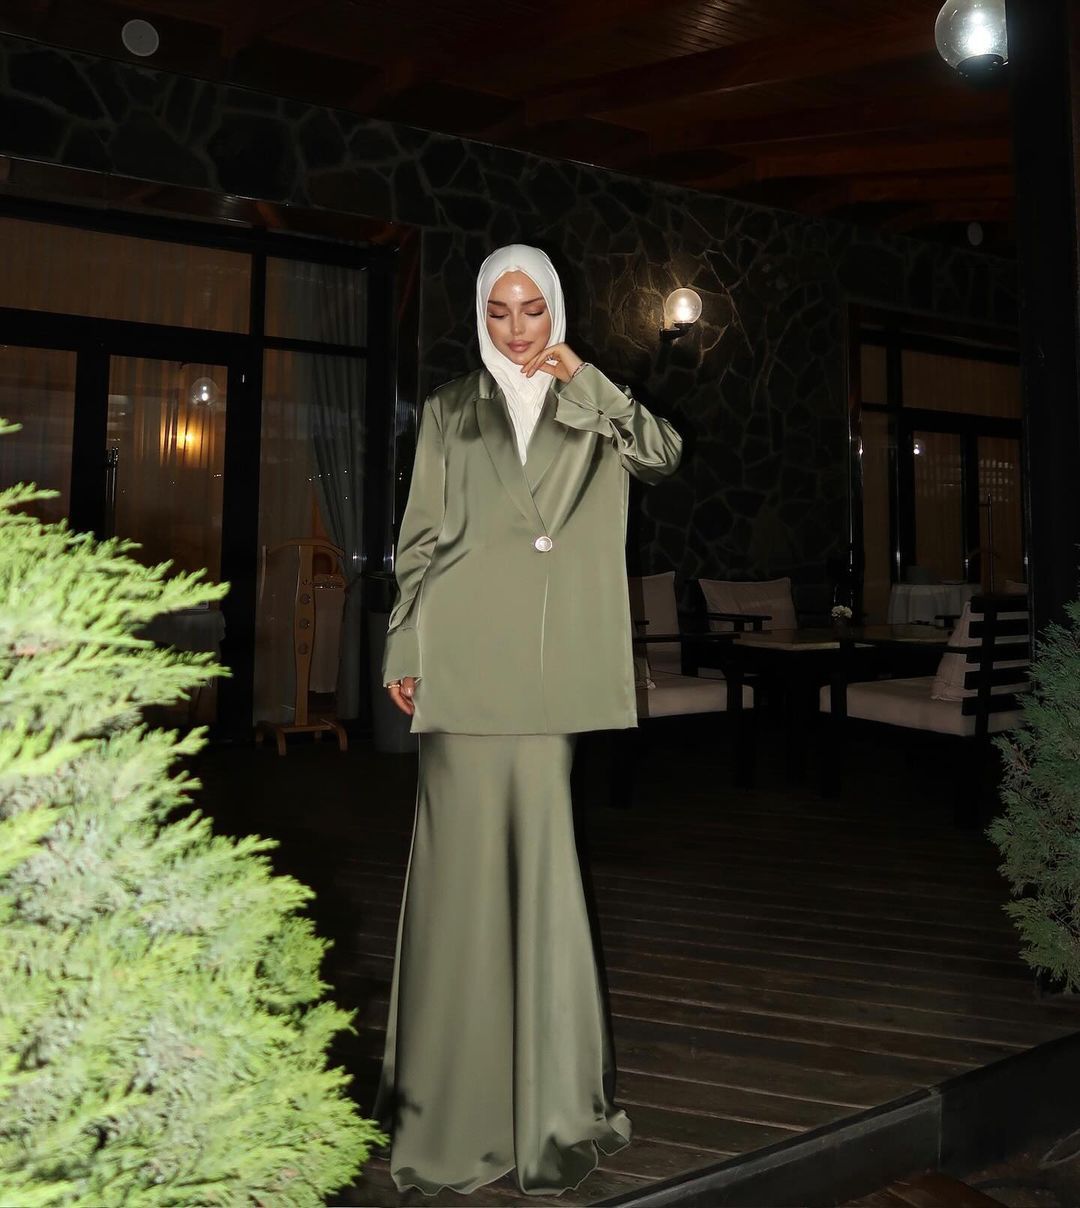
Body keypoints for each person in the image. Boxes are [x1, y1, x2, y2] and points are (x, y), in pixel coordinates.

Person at [373, 244, 683, 1197]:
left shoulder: (589, 403)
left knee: (544, 877)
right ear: (482, 314)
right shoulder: (446, 409)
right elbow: (419, 539)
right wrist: (404, 644)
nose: (516, 329)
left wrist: (586, 380)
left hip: (547, 676)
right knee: (457, 883)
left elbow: (662, 456)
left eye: (531, 309)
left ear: (555, 309)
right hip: (461, 663)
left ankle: (551, 1105)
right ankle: (448, 1110)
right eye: (499, 311)